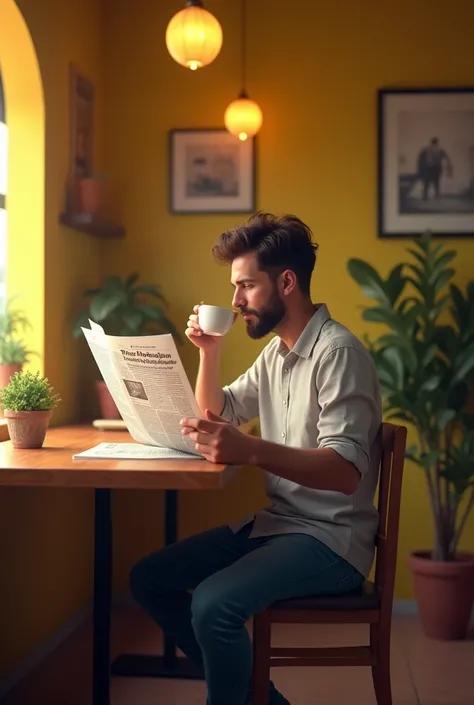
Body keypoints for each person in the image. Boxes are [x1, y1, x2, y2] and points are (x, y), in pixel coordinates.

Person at [129, 212, 383, 705]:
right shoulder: (276, 355)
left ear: (286, 282)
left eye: (245, 285)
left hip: (331, 541)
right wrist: (208, 351)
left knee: (212, 604)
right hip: (279, 525)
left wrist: (249, 449)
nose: (235, 300)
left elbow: (345, 472)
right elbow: (213, 412)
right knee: (150, 579)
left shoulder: (339, 354)